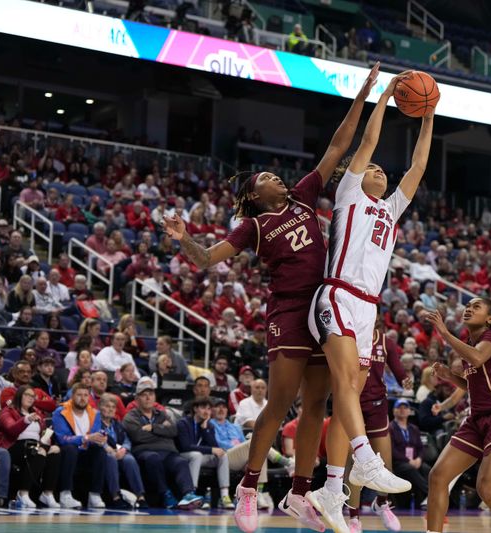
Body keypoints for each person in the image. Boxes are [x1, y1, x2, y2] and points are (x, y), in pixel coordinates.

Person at [163, 64, 381, 533]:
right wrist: (184, 237)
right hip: (287, 311)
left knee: (318, 404)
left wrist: (362, 96)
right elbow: (205, 259)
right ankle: (247, 487)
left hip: (323, 308)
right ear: (253, 195)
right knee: (279, 402)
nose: (277, 179)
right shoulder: (253, 226)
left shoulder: (303, 196)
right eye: (266, 177)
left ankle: (301, 493)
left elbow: (338, 145)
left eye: (276, 176)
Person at [306, 70, 434, 532]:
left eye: (383, 170)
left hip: (368, 308)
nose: (380, 170)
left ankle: (332, 486)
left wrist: (428, 116)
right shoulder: (348, 194)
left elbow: (418, 167)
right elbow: (367, 143)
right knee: (344, 382)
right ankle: (365, 458)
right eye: (374, 168)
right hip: (337, 292)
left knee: (351, 398)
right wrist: (383, 95)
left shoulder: (391, 208)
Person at [424, 298, 491, 533]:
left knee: (486, 488)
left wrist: (445, 334)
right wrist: (450, 376)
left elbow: (477, 358)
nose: (469, 308)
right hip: (477, 419)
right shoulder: (470, 342)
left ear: (490, 319)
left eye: (476, 307)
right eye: (467, 305)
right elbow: (473, 383)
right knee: (438, 476)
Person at [347, 320, 408, 533]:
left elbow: (399, 371)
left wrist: (407, 380)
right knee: (354, 465)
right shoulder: (348, 340)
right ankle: (354, 518)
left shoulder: (386, 342)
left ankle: (381, 503)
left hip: (378, 406)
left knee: (385, 464)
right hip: (352, 403)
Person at [122, 377, 203, 509]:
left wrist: (153, 428)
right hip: (145, 451)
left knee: (181, 462)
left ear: (155, 398)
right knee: (153, 458)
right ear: (137, 399)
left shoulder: (162, 414)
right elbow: (138, 436)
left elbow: (173, 431)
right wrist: (162, 431)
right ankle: (165, 494)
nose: (148, 398)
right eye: (144, 395)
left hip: (167, 451)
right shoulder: (131, 416)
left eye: (151, 394)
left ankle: (188, 494)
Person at [0, 385, 62, 508]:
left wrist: (48, 441)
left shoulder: (37, 414)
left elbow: (42, 434)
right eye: (27, 395)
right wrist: (26, 420)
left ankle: (47, 493)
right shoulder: (8, 411)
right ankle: (23, 493)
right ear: (19, 396)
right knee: (37, 451)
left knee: (55, 451)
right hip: (13, 446)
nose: (30, 398)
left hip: (35, 445)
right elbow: (11, 430)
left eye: (32, 396)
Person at [51, 383, 107, 509]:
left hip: (86, 451)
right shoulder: (61, 412)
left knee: (100, 451)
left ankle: (94, 495)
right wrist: (85, 438)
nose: (83, 398)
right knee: (71, 449)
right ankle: (65, 494)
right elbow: (62, 438)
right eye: (79, 395)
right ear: (72, 396)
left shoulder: (95, 413)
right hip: (68, 451)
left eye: (86, 395)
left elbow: (96, 435)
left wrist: (100, 439)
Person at [97, 393, 146, 509]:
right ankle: (115, 496)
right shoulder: (95, 422)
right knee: (111, 458)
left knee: (129, 459)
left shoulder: (117, 424)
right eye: (107, 406)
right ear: (100, 407)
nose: (110, 410)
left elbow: (126, 440)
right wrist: (108, 449)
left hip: (118, 451)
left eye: (113, 407)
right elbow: (95, 438)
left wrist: (124, 449)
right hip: (103, 452)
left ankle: (140, 496)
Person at [176, 398, 229, 506]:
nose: (206, 411)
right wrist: (210, 450)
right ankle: (191, 493)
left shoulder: (209, 426)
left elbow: (215, 447)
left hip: (199, 457)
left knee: (222, 456)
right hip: (183, 456)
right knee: (196, 455)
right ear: (195, 409)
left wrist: (205, 430)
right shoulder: (183, 423)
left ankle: (224, 495)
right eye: (203, 408)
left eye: (209, 409)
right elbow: (185, 446)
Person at [388, 399, 429, 509]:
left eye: (405, 407)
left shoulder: (414, 429)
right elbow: (391, 450)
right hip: (398, 463)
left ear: (409, 411)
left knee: (425, 468)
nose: (402, 410)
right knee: (409, 469)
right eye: (399, 407)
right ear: (394, 411)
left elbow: (421, 448)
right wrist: (408, 461)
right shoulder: (390, 428)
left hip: (414, 461)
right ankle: (430, 493)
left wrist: (419, 459)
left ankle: (423, 501)